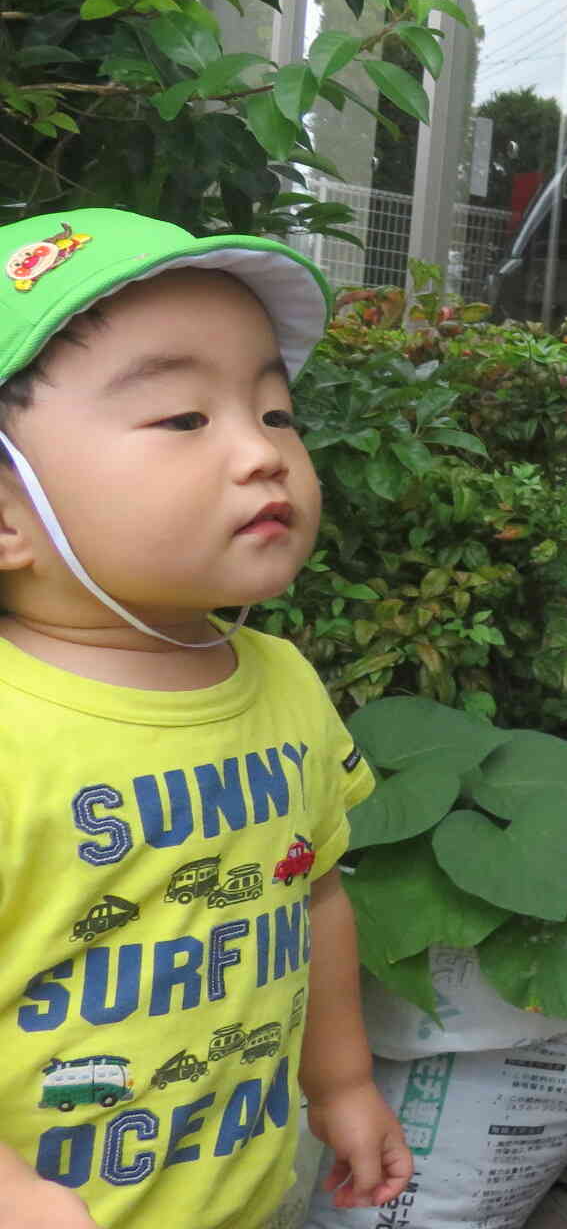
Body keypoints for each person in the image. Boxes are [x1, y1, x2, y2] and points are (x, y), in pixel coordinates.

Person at [0, 210, 411, 1228]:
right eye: (185, 418)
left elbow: (311, 898)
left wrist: (344, 1084)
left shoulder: (282, 685)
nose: (262, 454)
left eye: (274, 413)